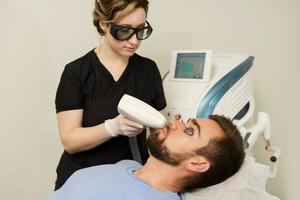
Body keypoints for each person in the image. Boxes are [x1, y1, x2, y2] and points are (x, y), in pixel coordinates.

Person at [54, 0, 167, 190]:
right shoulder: (77, 73)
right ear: (104, 25)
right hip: (81, 181)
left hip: (131, 180)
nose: (134, 41)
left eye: (141, 30)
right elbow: (70, 141)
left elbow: (160, 131)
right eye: (124, 31)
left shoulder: (147, 70)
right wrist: (113, 127)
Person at [46, 115, 245, 200]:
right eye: (185, 121)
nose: (175, 122)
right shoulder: (127, 166)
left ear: (197, 163)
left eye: (190, 131)